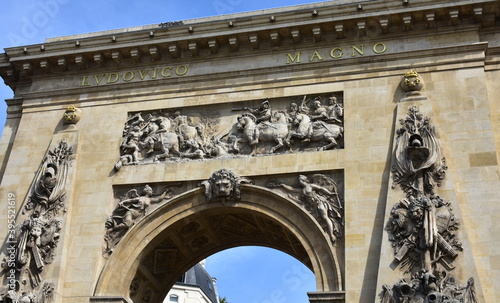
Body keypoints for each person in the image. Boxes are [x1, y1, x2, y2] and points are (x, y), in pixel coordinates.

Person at [279, 175, 342, 245]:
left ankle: (331, 234)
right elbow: (291, 189)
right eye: (299, 180)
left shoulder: (310, 186)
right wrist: (282, 185)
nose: (299, 181)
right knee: (323, 218)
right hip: (314, 207)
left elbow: (321, 188)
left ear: (305, 180)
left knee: (325, 217)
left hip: (319, 202)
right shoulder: (301, 190)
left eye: (301, 180)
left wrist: (330, 193)